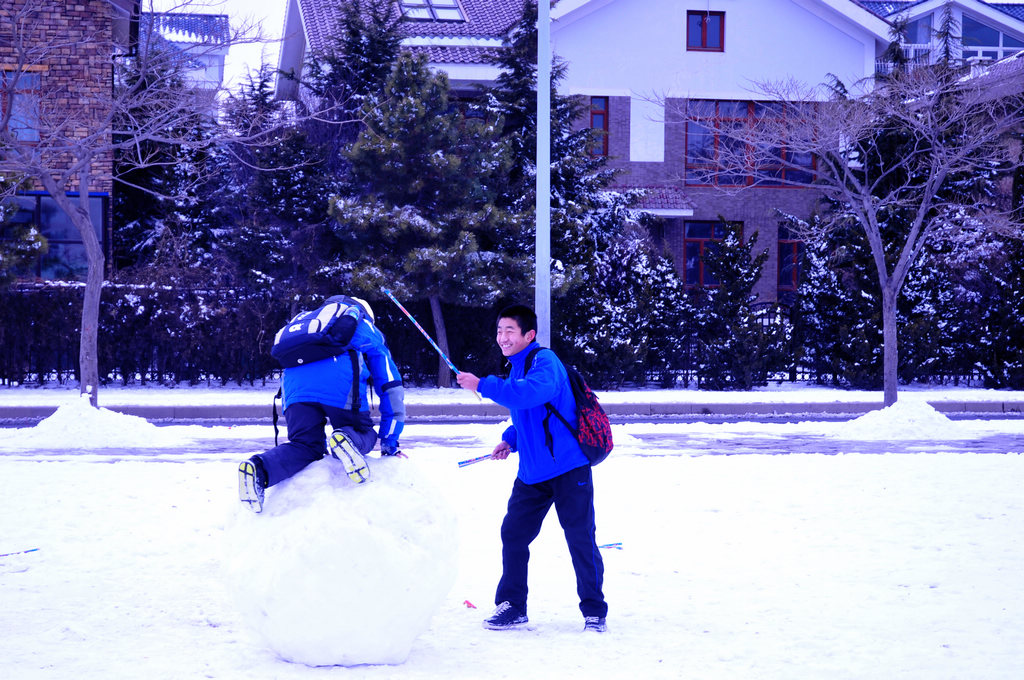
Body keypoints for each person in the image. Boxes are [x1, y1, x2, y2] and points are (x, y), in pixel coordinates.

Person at [456, 304, 607, 633]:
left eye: (510, 330)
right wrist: (511, 440)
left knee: (580, 538)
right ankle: (513, 606)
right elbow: (526, 413)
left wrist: (483, 385)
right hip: (533, 474)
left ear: (529, 335)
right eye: (499, 331)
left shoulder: (544, 362)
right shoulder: (515, 368)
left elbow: (530, 394)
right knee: (513, 534)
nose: (502, 337)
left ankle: (594, 610)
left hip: (569, 468)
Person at [238, 296, 405, 513]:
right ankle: (347, 440)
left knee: (304, 445)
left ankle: (259, 470)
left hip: (295, 390)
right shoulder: (364, 326)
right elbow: (390, 383)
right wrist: (390, 443)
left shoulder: (306, 323)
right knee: (362, 432)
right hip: (340, 385)